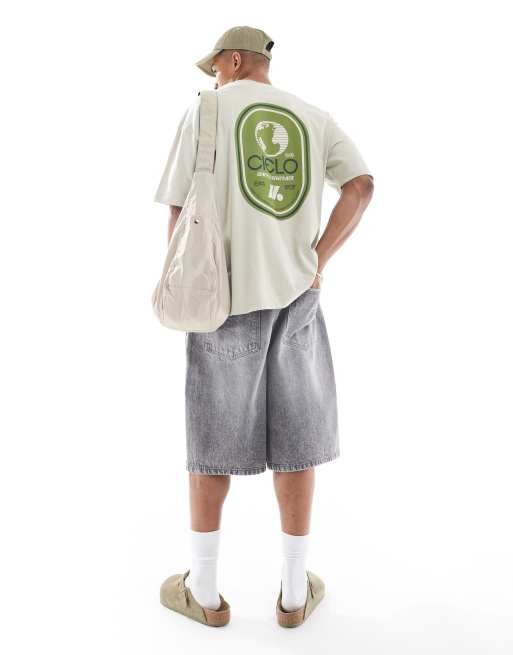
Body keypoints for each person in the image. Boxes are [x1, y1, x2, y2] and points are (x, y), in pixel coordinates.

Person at [154, 25, 374, 628]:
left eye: (216, 67)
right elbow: (360, 187)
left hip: (223, 296)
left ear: (232, 60)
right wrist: (317, 262)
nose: (214, 77)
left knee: (212, 441)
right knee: (298, 437)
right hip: (298, 295)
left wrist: (185, 282)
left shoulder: (206, 110)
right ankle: (295, 593)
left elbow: (178, 209)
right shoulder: (314, 117)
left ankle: (204, 592)